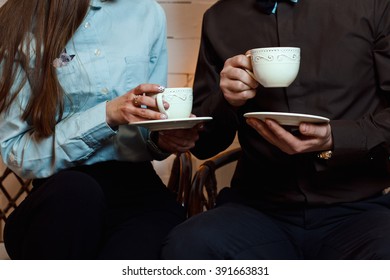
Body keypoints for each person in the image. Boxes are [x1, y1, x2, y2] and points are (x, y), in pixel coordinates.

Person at [162, 0, 390, 259]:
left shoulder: (372, 5)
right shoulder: (219, 18)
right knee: (189, 244)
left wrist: (336, 137)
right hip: (258, 210)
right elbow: (204, 146)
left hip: (359, 209)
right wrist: (226, 100)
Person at [0, 0, 200, 260]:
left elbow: (148, 129)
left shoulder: (148, 13)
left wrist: (164, 140)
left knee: (177, 241)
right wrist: (106, 115)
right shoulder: (24, 18)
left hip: (138, 192)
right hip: (62, 200)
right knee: (78, 192)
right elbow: (16, 151)